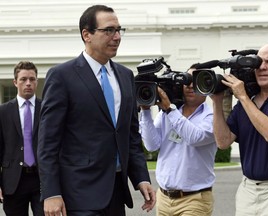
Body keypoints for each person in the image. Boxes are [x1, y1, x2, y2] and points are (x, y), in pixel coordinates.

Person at [37, 4, 156, 216]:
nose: (117, 36)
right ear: (86, 34)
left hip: (116, 194)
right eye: (109, 30)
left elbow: (130, 135)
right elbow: (48, 142)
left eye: (119, 30)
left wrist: (141, 178)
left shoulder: (126, 76)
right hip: (78, 196)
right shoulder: (62, 76)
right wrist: (51, 193)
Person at [211, 43, 268, 215]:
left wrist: (243, 96)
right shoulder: (244, 104)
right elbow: (223, 142)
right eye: (258, 63)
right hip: (248, 189)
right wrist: (217, 101)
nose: (262, 67)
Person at [139, 66, 217, 216]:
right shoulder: (169, 112)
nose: (190, 85)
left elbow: (195, 137)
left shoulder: (211, 117)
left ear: (206, 86)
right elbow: (151, 145)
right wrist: (146, 111)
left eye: (196, 80)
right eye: (186, 80)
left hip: (195, 200)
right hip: (164, 197)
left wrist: (169, 109)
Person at [0, 61, 44, 215]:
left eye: (32, 79)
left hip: (42, 179)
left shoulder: (46, 109)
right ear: (15, 82)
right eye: (23, 79)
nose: (28, 83)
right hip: (13, 181)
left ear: (37, 81)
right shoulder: (3, 111)